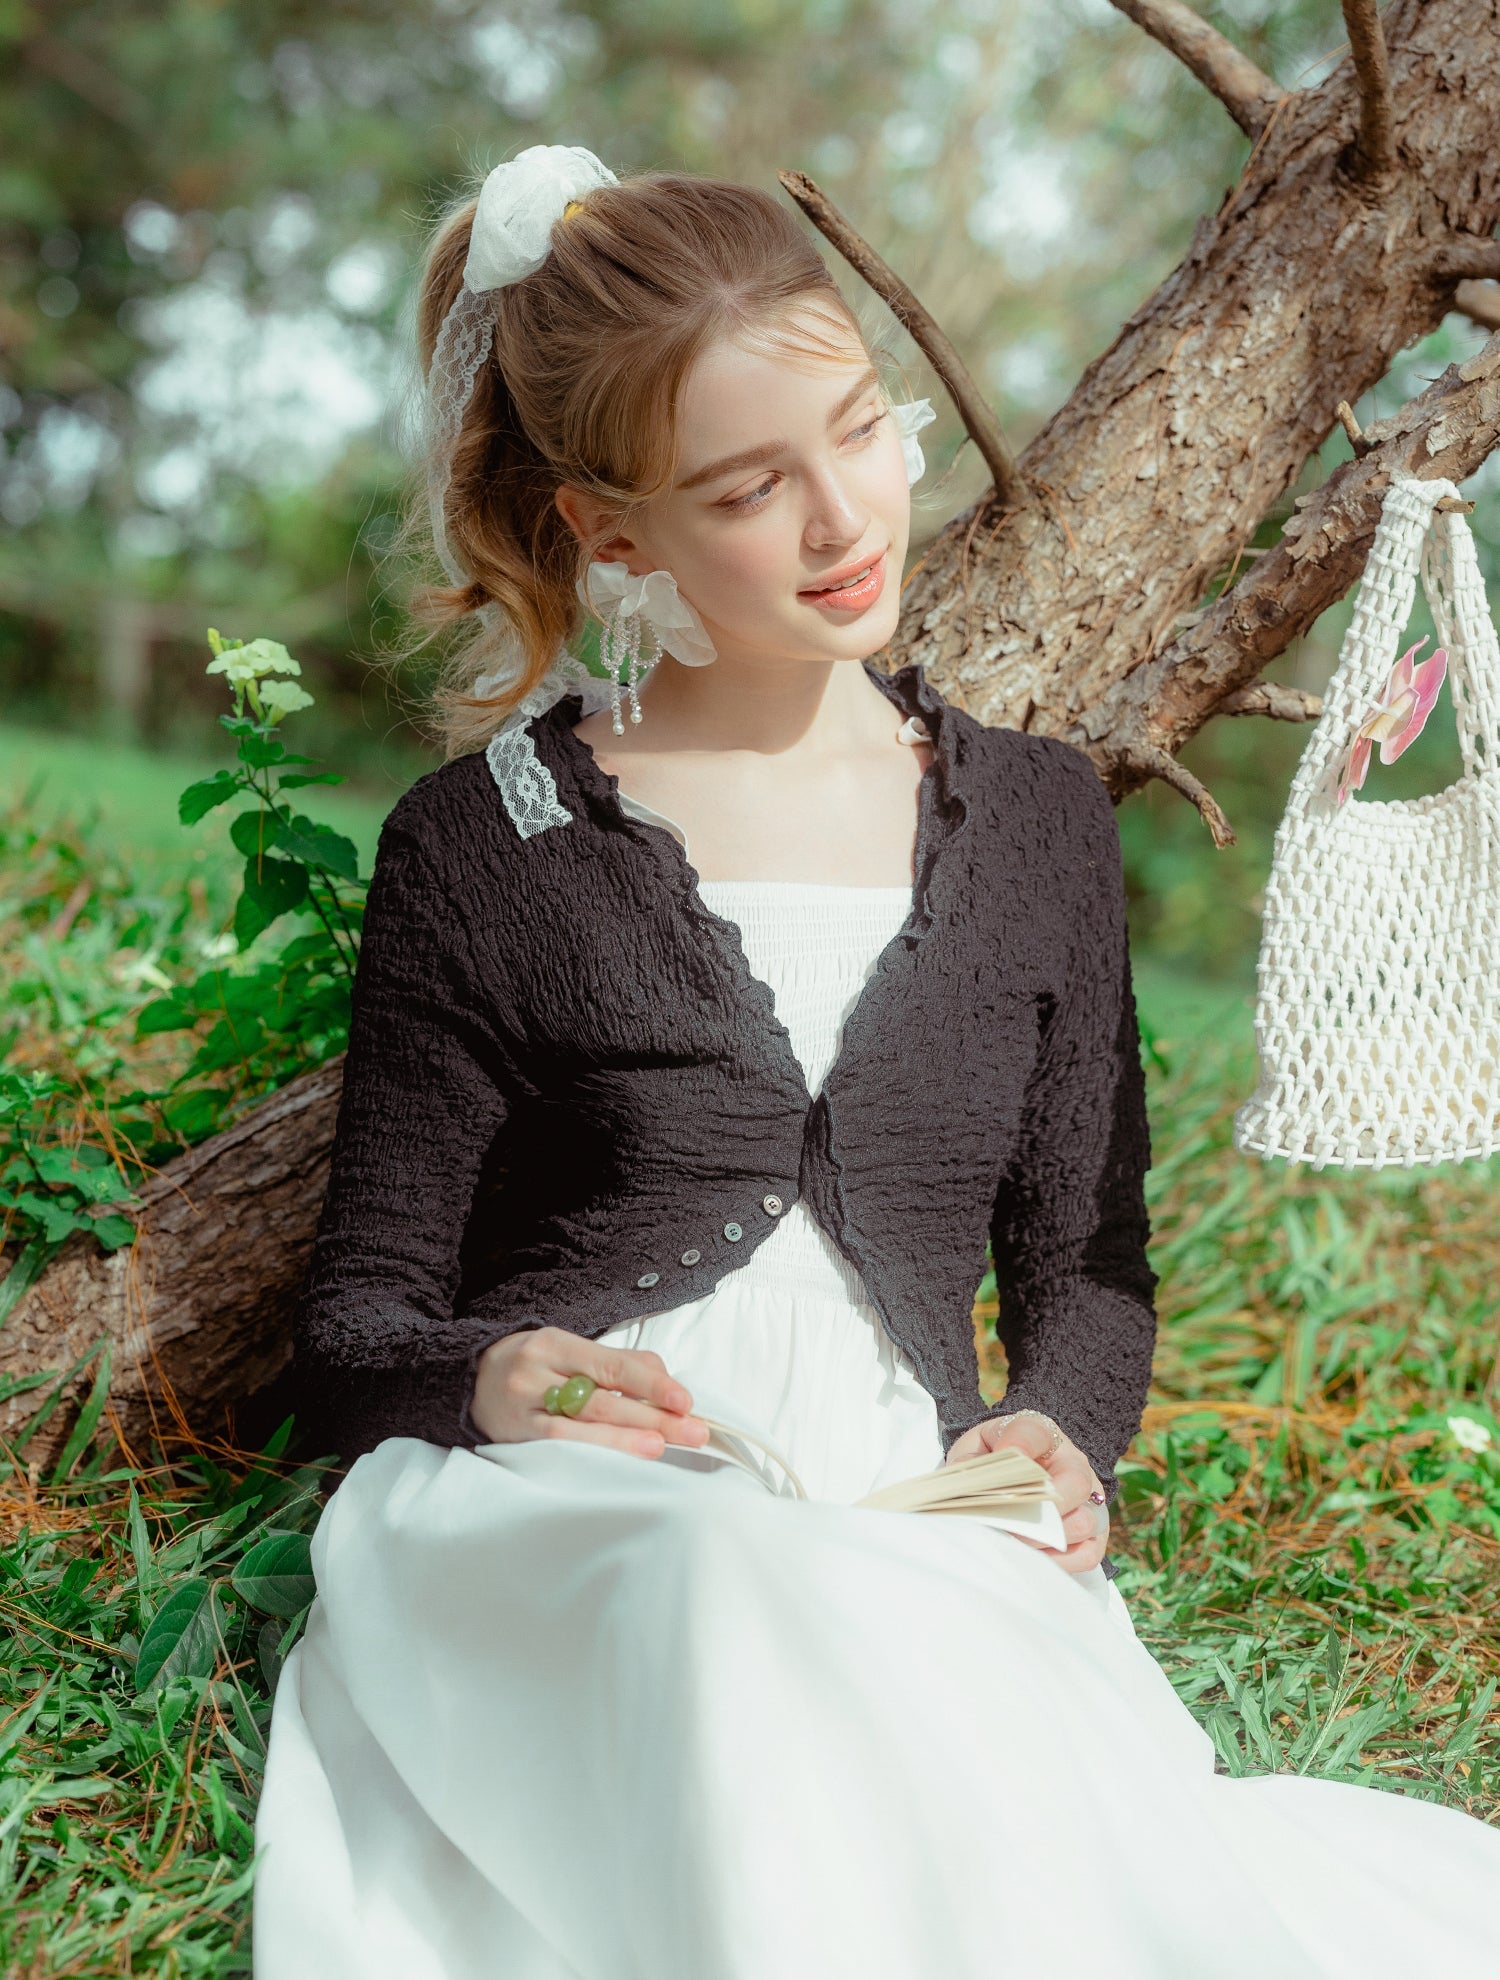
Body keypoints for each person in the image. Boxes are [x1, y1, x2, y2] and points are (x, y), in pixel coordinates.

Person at [250, 146, 1500, 1979]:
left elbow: (1085, 1266)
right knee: (726, 1597)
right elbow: (357, 1324)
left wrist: (1061, 1444)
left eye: (863, 429)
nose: (846, 517)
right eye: (752, 487)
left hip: (913, 1523)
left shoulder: (1038, 827)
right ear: (613, 534)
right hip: (581, 1537)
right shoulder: (488, 840)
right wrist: (502, 1373)